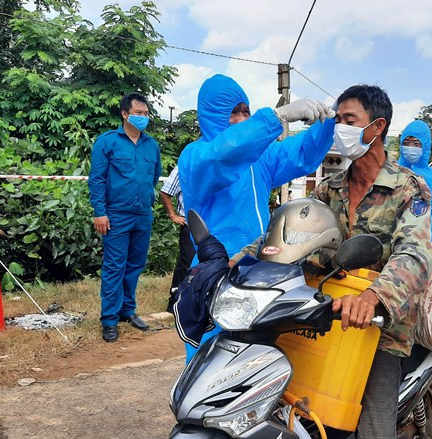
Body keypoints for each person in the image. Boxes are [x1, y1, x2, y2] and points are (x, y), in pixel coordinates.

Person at [234, 84, 432, 439]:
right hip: (321, 313)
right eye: (337, 119)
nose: (339, 128)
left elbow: (416, 254)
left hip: (377, 329)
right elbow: (290, 230)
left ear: (376, 127)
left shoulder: (409, 188)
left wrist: (373, 297)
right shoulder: (330, 188)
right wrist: (236, 260)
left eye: (348, 121)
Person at [178, 74, 335, 361]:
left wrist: (328, 123)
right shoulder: (195, 157)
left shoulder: (260, 158)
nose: (240, 118)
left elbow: (299, 152)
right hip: (216, 270)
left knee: (257, 355)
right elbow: (223, 154)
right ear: (211, 115)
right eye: (232, 113)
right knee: (213, 358)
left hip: (259, 268)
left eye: (245, 111)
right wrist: (277, 117)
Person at [88, 93, 161, 342]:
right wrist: (100, 212)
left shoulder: (152, 145)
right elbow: (96, 179)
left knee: (135, 265)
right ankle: (109, 319)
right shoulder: (107, 142)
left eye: (146, 114)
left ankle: (127, 311)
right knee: (114, 266)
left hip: (143, 214)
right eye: (138, 113)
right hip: (116, 215)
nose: (143, 118)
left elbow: (153, 178)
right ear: (125, 114)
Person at [159, 166, 195, 314]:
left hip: (213, 224)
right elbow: (165, 191)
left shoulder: (216, 162)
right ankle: (175, 303)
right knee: (187, 262)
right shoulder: (184, 167)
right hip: (189, 223)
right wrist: (173, 215)